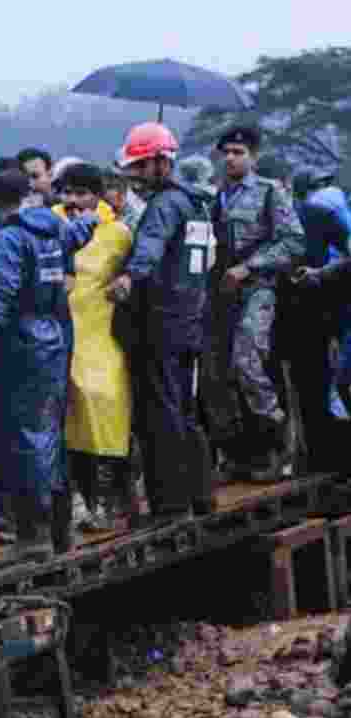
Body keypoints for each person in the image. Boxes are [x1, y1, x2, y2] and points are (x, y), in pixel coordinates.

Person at [0, 169, 94, 562]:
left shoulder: (6, 238)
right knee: (49, 431)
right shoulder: (55, 227)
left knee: (23, 436)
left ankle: (32, 535)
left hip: (19, 341)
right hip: (54, 334)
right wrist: (84, 216)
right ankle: (60, 530)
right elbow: (83, 231)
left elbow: (4, 287)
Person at [106, 122, 215, 526]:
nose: (132, 177)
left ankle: (170, 506)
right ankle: (201, 496)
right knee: (186, 409)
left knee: (161, 412)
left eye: (138, 168)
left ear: (159, 164)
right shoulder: (198, 204)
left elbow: (150, 246)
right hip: (191, 319)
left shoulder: (165, 206)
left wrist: (128, 277)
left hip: (161, 322)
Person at [203, 126, 304, 482]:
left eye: (238, 152)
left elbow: (293, 243)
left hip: (258, 289)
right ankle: (237, 453)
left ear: (253, 157)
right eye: (226, 152)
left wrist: (249, 267)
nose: (230, 158)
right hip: (221, 293)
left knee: (247, 362)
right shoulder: (216, 197)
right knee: (218, 374)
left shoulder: (268, 192)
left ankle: (276, 444)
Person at [54, 163, 135, 532]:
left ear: (97, 196)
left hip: (101, 336)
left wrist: (127, 282)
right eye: (66, 192)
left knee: (104, 411)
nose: (72, 201)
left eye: (81, 193)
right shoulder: (48, 229)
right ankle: (76, 503)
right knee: (64, 418)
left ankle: (109, 499)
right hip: (57, 336)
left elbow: (139, 275)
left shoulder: (118, 234)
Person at [284, 168, 351, 473]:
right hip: (326, 312)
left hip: (314, 311)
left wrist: (319, 275)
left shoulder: (313, 212)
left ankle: (326, 459)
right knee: (328, 385)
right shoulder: (331, 210)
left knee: (318, 385)